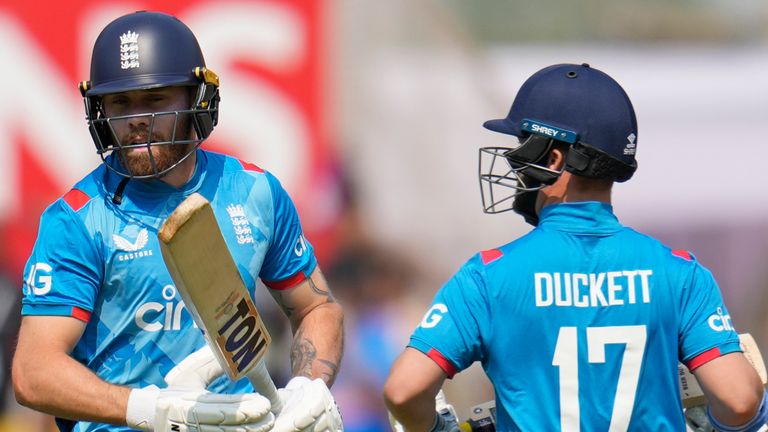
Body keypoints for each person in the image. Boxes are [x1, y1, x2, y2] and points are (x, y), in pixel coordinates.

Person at [383, 63, 766, 431]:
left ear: (553, 158)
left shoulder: (488, 275)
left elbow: (404, 390)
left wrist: (434, 429)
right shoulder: (680, 273)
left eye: (522, 146)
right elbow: (739, 400)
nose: (515, 162)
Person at [12, 11, 344, 432]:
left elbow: (316, 304)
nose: (136, 120)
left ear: (196, 99)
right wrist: (151, 410)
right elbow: (33, 372)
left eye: (155, 100)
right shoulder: (78, 220)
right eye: (120, 103)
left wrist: (309, 386)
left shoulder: (255, 192)